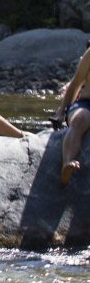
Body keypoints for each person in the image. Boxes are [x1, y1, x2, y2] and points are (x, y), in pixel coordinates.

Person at [51, 43, 90, 186]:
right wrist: (61, 112)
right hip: (86, 104)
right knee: (79, 119)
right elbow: (76, 83)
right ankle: (67, 164)